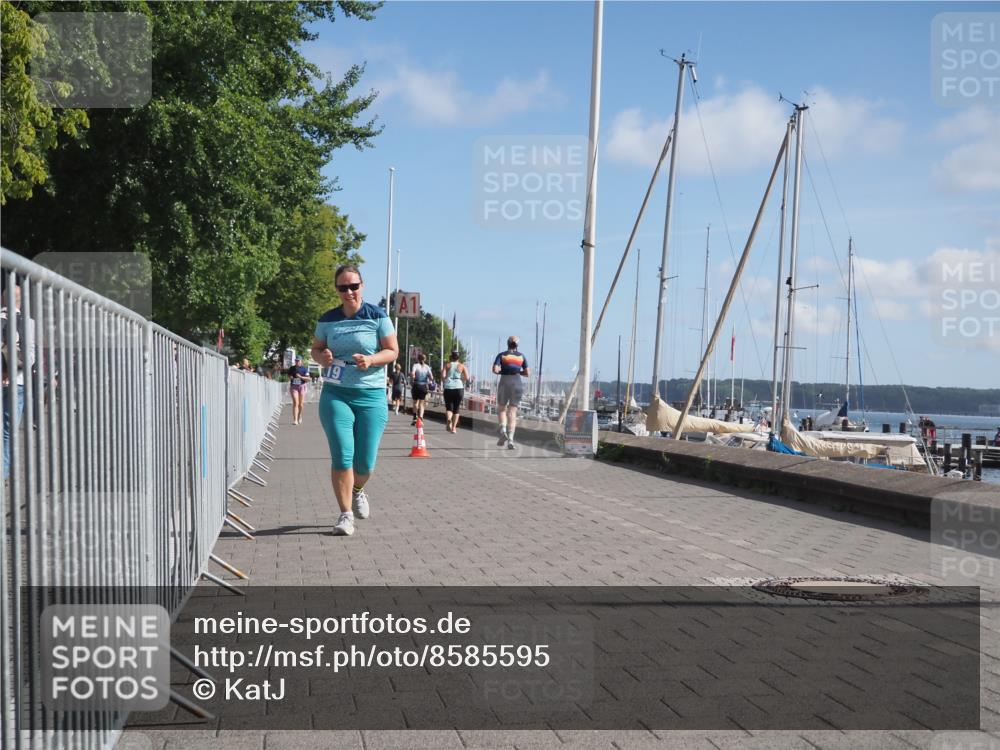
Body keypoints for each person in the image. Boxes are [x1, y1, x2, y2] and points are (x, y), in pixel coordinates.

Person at [311, 265, 398, 537]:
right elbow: (316, 348)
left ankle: (359, 489)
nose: (349, 292)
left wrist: (371, 359)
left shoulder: (377, 315)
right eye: (342, 287)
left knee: (365, 463)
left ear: (362, 285)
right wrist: (321, 357)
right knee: (342, 454)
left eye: (354, 286)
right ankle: (345, 514)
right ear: (336, 289)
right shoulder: (328, 319)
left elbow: (392, 351)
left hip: (371, 394)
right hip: (336, 393)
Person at [2, 283, 34, 479]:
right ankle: (3, 475)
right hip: (19, 381)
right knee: (8, 432)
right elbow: (30, 357)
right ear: (21, 303)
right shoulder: (29, 323)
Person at [492, 336, 530, 449]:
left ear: (507, 343)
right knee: (512, 412)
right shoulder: (522, 356)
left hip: (504, 382)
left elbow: (495, 370)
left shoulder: (502, 355)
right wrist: (518, 372)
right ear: (517, 345)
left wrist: (503, 370)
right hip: (517, 384)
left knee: (502, 409)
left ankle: (503, 430)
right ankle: (511, 440)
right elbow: (528, 373)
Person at [440, 350, 469, 433]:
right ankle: (453, 428)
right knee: (456, 408)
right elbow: (467, 377)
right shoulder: (462, 366)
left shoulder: (447, 365)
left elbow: (443, 376)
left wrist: (446, 378)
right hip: (459, 387)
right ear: (458, 357)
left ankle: (449, 419)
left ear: (451, 357)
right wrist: (460, 379)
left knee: (449, 407)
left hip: (448, 387)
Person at [287, 355, 311, 425]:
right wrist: (290, 377)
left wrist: (301, 377)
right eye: (296, 360)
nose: (297, 362)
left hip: (302, 386)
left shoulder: (304, 369)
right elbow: (289, 375)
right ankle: (295, 420)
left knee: (301, 404)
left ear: (301, 361)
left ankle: (299, 415)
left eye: (298, 360)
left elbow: (309, 379)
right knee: (295, 403)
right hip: (294, 387)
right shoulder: (292, 368)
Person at [410, 353, 433, 426]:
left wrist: (413, 377)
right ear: (425, 359)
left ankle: (414, 417)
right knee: (421, 403)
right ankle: (421, 418)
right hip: (423, 387)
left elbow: (413, 374)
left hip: (416, 386)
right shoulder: (427, 367)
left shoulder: (415, 365)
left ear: (418, 359)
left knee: (415, 402)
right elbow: (431, 377)